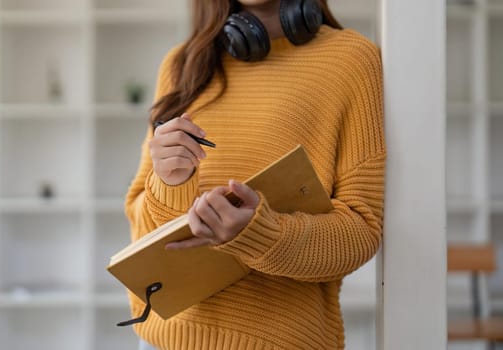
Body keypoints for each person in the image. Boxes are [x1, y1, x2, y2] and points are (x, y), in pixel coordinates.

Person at [124, 0, 385, 348]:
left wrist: (261, 234)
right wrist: (171, 185)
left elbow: (360, 233)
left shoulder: (352, 60)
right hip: (164, 340)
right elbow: (140, 230)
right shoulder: (181, 65)